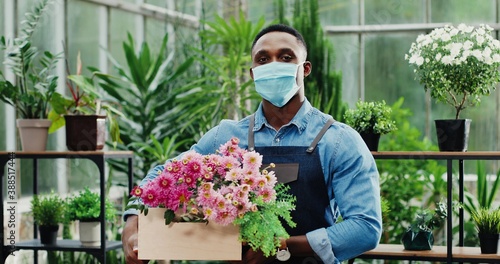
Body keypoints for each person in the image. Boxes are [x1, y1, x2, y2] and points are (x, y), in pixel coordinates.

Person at [122, 24, 382, 264]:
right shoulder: (225, 137)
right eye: (263, 59)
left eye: (286, 57)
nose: (274, 64)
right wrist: (132, 226)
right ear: (253, 73)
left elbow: (365, 228)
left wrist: (282, 246)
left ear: (305, 68)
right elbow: (162, 177)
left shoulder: (337, 141)